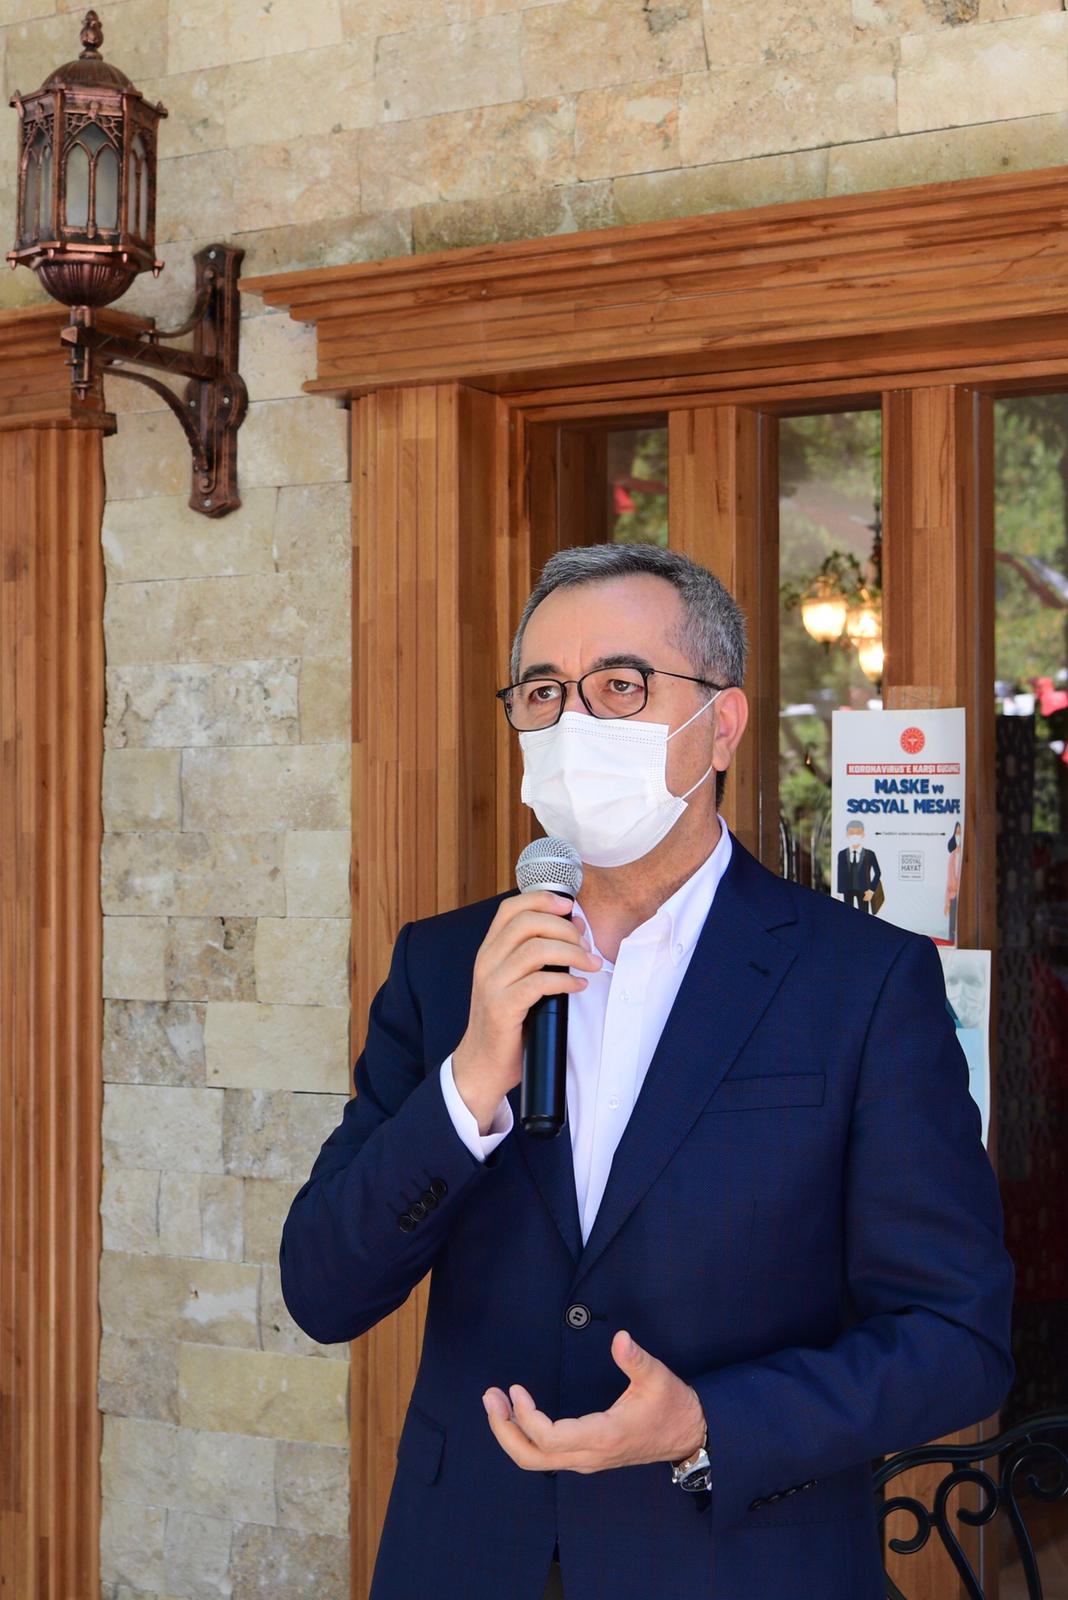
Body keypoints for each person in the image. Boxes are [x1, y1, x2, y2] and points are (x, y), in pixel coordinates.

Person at [281, 543, 1014, 1600]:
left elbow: (956, 1339)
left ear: (721, 725)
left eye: (620, 686)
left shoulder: (861, 982)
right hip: (470, 1558)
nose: (574, 723)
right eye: (544, 692)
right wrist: (470, 1081)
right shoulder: (446, 968)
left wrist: (710, 1421)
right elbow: (321, 1287)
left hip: (742, 1566)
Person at [836, 818, 882, 913]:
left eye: (858, 833)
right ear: (847, 834)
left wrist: (871, 890)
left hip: (864, 890)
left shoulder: (870, 854)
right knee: (847, 914)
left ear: (863, 834)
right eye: (851, 833)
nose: (855, 836)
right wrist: (839, 892)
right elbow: (840, 873)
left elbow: (877, 873)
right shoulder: (842, 854)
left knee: (864, 914)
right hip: (847, 890)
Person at [945, 821, 963, 943]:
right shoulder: (952, 856)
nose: (958, 835)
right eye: (956, 833)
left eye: (959, 833)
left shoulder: (964, 855)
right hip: (953, 894)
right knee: (952, 924)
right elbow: (949, 879)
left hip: (963, 894)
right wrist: (947, 901)